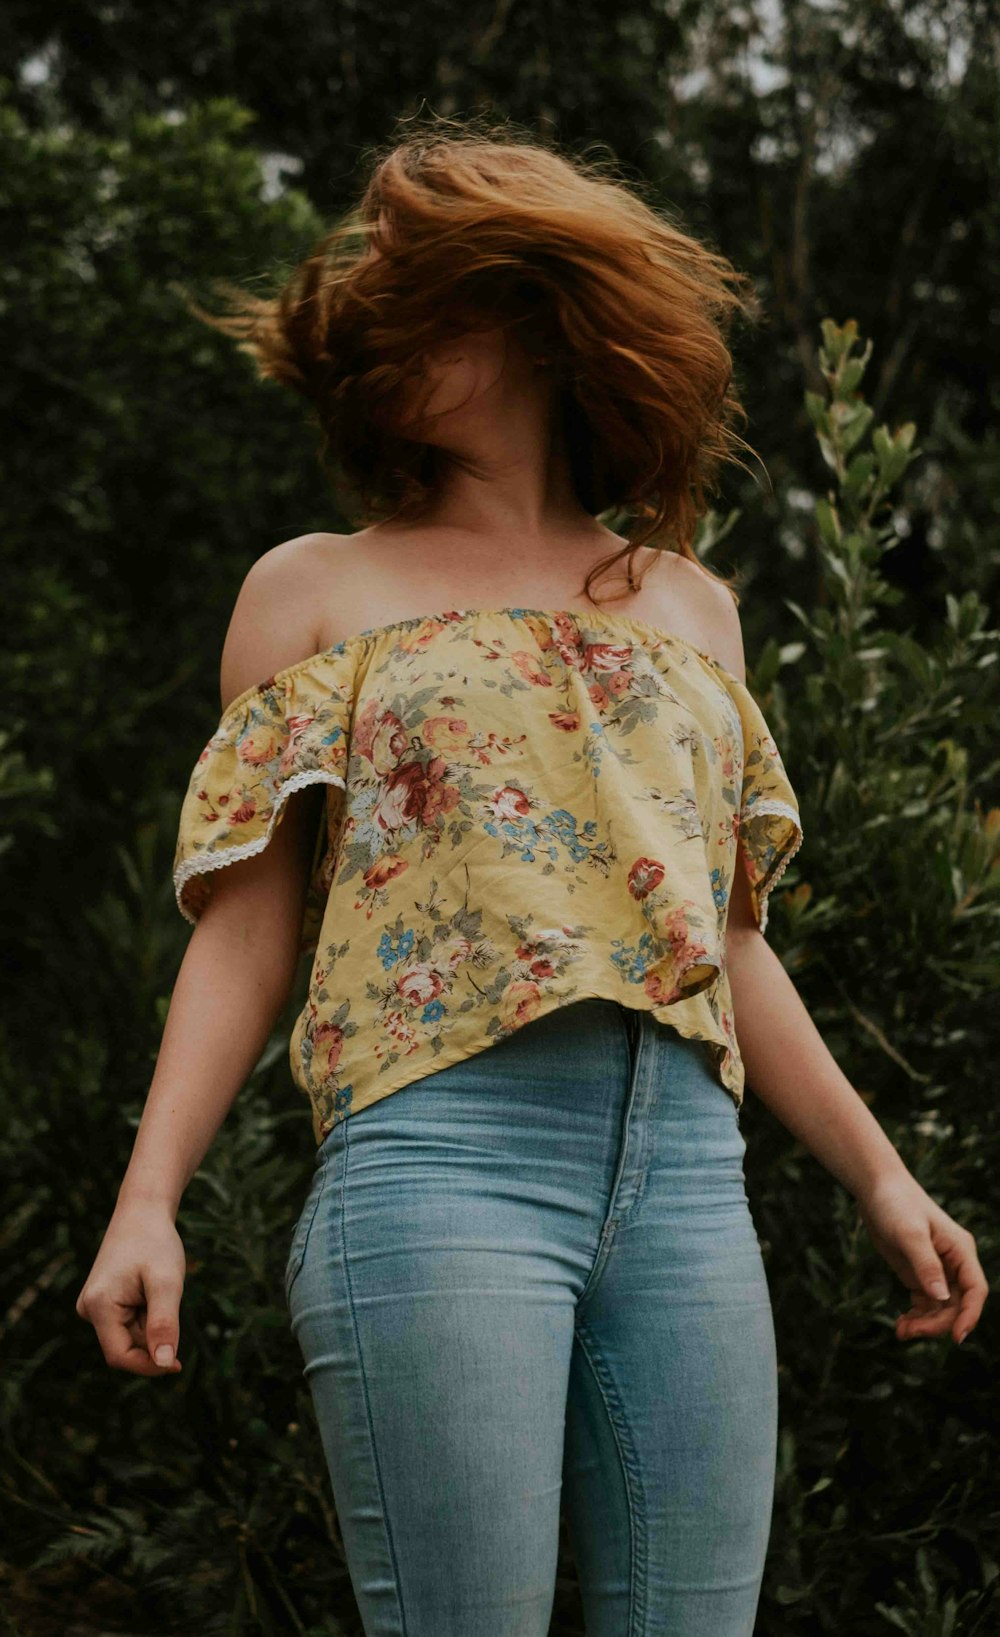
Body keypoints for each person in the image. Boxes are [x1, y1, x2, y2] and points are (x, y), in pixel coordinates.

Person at [75, 120, 988, 1637]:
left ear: (537, 316)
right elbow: (247, 929)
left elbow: (725, 944)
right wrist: (147, 1200)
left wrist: (882, 1171)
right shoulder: (315, 590)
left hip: (691, 1181)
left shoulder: (690, 606)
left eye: (426, 302)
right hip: (440, 1165)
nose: (387, 340)